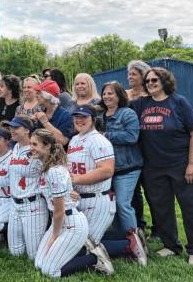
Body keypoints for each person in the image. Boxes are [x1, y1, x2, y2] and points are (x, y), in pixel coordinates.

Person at [131, 67, 193, 266]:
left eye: (154, 80)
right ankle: (171, 245)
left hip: (182, 165)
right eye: (147, 81)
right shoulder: (142, 104)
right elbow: (116, 103)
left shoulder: (179, 102)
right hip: (154, 167)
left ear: (165, 81)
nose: (150, 84)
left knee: (192, 208)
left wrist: (192, 164)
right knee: (161, 208)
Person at [30, 128, 114, 277]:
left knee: (50, 271)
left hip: (71, 224)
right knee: (38, 265)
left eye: (35, 144)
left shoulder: (54, 170)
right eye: (31, 144)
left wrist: (54, 237)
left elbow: (59, 211)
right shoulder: (46, 166)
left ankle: (95, 258)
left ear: (47, 145)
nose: (31, 148)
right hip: (61, 221)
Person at [100, 82, 148, 265]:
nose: (106, 97)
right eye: (104, 94)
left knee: (123, 203)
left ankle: (135, 242)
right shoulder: (100, 116)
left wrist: (107, 136)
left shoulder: (127, 114)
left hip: (128, 167)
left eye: (110, 93)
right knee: (112, 205)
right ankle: (122, 241)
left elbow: (131, 137)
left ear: (119, 95)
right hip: (108, 168)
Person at [66, 105, 115, 267]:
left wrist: (76, 180)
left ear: (93, 120)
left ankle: (127, 243)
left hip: (98, 200)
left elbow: (107, 170)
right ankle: (125, 238)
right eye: (76, 117)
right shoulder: (74, 139)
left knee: (84, 248)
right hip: (79, 199)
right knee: (74, 243)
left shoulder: (98, 140)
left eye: (84, 117)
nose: (79, 120)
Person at [6, 115, 48, 260]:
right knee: (15, 253)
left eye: (16, 127)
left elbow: (52, 170)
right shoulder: (15, 147)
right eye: (11, 127)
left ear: (27, 130)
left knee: (34, 256)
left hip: (33, 205)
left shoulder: (37, 149)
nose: (12, 130)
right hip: (14, 205)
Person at [125, 59, 152, 238]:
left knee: (151, 189)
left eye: (134, 74)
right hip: (130, 148)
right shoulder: (125, 95)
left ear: (143, 76)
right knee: (134, 190)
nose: (130, 77)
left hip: (148, 145)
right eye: (129, 74)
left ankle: (159, 226)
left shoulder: (150, 96)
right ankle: (138, 224)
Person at [33, 80, 74, 146]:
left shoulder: (65, 116)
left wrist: (45, 122)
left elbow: (62, 141)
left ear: (47, 96)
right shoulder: (40, 112)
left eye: (39, 93)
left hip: (57, 154)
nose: (36, 95)